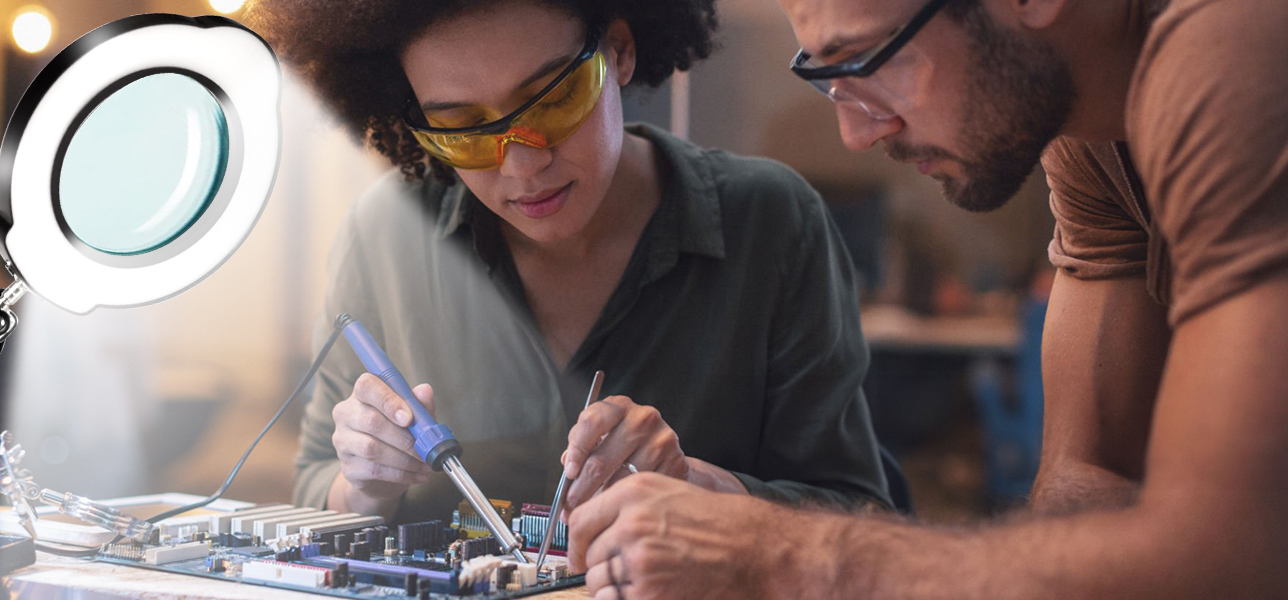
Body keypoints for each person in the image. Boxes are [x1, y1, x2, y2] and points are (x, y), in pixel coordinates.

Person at [567, 0, 1288, 597]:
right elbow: (1083, 497)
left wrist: (780, 553)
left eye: (870, 61)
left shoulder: (1234, 51)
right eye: (827, 77)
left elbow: (1228, 553)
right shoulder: (1085, 131)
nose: (855, 133)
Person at [249, 0, 894, 525]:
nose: (522, 166)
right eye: (464, 131)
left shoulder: (770, 222)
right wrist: (365, 483)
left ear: (617, 52)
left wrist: (698, 485)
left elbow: (864, 517)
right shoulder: (384, 235)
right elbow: (315, 488)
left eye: (552, 101)